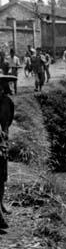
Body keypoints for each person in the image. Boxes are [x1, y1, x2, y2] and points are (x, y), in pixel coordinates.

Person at [0, 75, 15, 230]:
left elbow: (8, 121)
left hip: (2, 143)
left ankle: (1, 204)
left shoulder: (7, 102)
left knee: (2, 177)